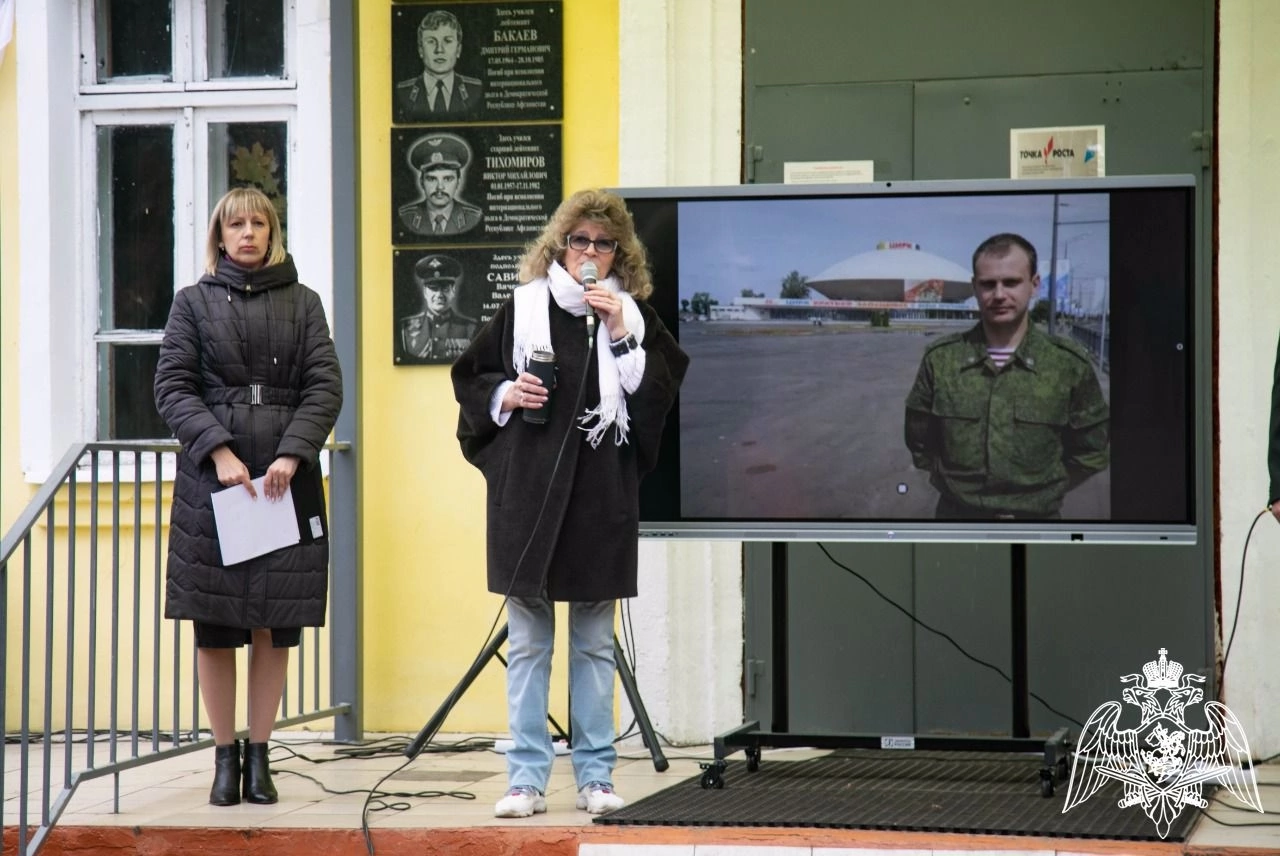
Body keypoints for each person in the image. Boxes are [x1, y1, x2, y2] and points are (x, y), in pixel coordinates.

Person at [451, 188, 688, 818]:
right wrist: (507, 391)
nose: (589, 252)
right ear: (560, 246)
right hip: (530, 495)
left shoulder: (634, 317)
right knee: (528, 642)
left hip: (599, 497)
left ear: (619, 255)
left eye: (602, 244)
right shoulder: (525, 307)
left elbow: (658, 394)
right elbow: (470, 379)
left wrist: (617, 332)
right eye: (578, 241)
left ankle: (595, 777)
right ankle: (526, 779)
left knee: (593, 643)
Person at [154, 187, 343, 806]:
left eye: (259, 222)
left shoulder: (305, 302)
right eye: (236, 223)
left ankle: (260, 758)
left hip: (286, 484)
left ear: (273, 231)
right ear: (219, 234)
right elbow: (174, 388)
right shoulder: (192, 304)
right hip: (215, 486)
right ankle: (223, 759)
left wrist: (293, 452)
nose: (248, 232)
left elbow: (325, 386)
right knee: (216, 626)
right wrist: (220, 451)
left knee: (275, 625)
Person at [903, 232, 1108, 519]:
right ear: (975, 288)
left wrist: (1043, 493)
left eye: (1011, 282)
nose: (999, 295)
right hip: (958, 520)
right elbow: (920, 442)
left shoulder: (1068, 365)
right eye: (988, 284)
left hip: (1038, 526)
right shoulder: (941, 361)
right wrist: (957, 486)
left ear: (1034, 285)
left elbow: (1092, 450)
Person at [395, 9, 484, 122]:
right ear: (421, 50)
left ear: (458, 50)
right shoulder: (403, 92)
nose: (439, 50)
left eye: (447, 41)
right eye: (431, 41)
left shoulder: (476, 90)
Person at [398, 133, 483, 237]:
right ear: (421, 182)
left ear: (458, 182)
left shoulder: (473, 218)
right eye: (432, 179)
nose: (440, 187)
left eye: (447, 179)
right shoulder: (406, 218)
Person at [399, 253, 479, 361]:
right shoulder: (406, 328)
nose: (439, 295)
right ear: (425, 292)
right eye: (433, 288)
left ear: (453, 291)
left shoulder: (470, 328)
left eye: (445, 288)